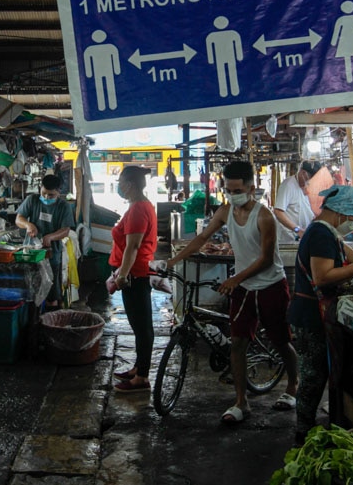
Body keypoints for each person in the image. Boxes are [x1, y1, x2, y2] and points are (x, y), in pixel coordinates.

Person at [166, 161, 298, 423]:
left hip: (271, 286)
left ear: (251, 188)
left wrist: (235, 279)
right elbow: (201, 239)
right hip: (244, 289)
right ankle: (241, 402)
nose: (232, 195)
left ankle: (293, 385)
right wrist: (171, 262)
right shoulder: (226, 212)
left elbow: (266, 260)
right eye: (228, 190)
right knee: (237, 344)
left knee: (281, 341)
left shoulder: (264, 216)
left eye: (237, 190)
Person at [290, 185, 353, 445]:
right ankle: (304, 431)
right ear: (341, 213)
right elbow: (322, 277)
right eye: (352, 219)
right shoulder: (320, 234)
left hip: (315, 313)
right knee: (313, 375)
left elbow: (349, 255)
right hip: (311, 315)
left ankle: (326, 421)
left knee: (321, 372)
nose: (352, 224)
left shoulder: (326, 231)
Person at [109, 166, 159, 393]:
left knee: (142, 326)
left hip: (136, 274)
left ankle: (141, 377)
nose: (119, 186)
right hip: (136, 272)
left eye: (120, 182)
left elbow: (133, 247)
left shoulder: (139, 209)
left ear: (129, 184)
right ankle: (138, 367)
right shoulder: (141, 206)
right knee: (139, 325)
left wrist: (123, 275)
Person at [15, 174, 75, 308]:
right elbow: (19, 219)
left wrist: (51, 237)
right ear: (40, 188)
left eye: (51, 195)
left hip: (52, 252)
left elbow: (66, 230)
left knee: (52, 288)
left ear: (59, 192)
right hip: (33, 250)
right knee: (31, 284)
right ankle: (34, 312)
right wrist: (28, 225)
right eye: (44, 193)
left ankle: (50, 313)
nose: (46, 197)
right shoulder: (32, 200)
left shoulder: (64, 206)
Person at [273, 161, 320, 245]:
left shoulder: (306, 187)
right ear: (303, 173)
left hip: (302, 237)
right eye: (310, 178)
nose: (311, 181)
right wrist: (297, 230)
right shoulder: (288, 185)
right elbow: (278, 212)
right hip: (288, 239)